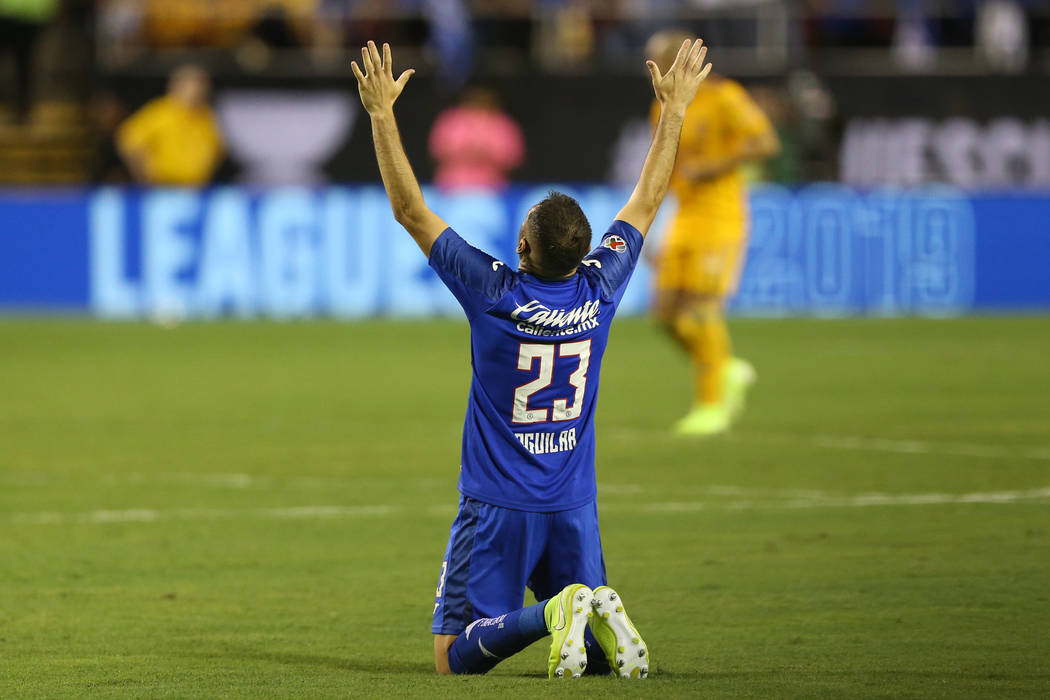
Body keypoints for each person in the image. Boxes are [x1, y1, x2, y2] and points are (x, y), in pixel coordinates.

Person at [350, 38, 712, 679]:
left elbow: (410, 210)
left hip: (496, 505)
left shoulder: (494, 293)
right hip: (573, 504)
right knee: (595, 662)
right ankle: (590, 613)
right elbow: (648, 200)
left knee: (452, 658)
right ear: (582, 252)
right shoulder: (601, 289)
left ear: (522, 244)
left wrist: (381, 116)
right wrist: (675, 110)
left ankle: (556, 611)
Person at [645, 29, 780, 437]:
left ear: (680, 58)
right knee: (665, 313)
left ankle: (712, 404)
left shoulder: (725, 97)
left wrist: (716, 166)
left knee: (703, 308)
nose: (651, 66)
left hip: (720, 217)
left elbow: (765, 143)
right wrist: (650, 229)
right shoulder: (664, 107)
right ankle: (724, 367)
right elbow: (665, 167)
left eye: (658, 57)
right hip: (684, 217)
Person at [116, 64, 224, 186]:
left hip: (197, 189)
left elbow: (218, 150)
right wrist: (145, 175)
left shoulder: (208, 117)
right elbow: (128, 140)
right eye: (192, 85)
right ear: (176, 86)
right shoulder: (160, 113)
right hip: (164, 188)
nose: (198, 91)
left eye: (202, 86)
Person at [428, 86, 524, 190]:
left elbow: (515, 158)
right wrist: (464, 152)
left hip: (493, 190)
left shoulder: (504, 123)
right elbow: (436, 151)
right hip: (451, 188)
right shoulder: (450, 119)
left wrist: (486, 154)